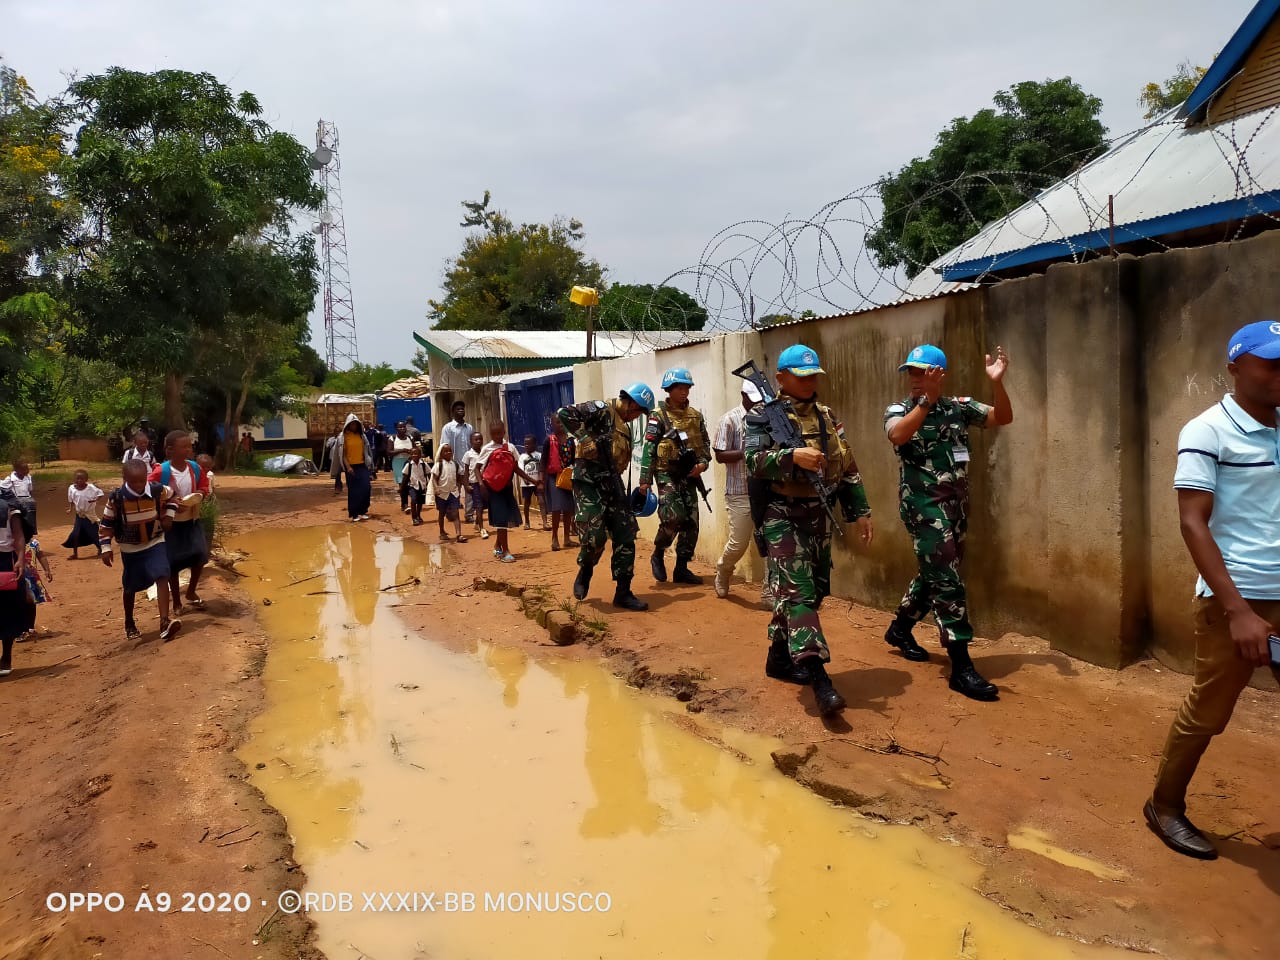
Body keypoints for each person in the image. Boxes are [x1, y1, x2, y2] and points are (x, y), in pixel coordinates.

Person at [1144, 320, 1280, 860]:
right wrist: (1238, 611)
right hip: (1236, 599)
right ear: (1236, 366)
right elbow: (1192, 524)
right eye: (1270, 363)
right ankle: (1165, 806)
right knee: (1210, 710)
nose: (1279, 373)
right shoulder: (1206, 432)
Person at [745, 345, 874, 715]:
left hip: (819, 514)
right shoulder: (763, 416)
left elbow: (847, 464)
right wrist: (790, 457)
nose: (808, 383)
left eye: (813, 376)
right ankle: (820, 679)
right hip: (781, 514)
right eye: (800, 377)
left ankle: (777, 658)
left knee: (811, 594)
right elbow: (752, 462)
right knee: (799, 595)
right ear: (782, 379)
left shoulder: (828, 417)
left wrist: (860, 511)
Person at [883, 343, 1011, 702]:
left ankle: (900, 628)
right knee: (948, 580)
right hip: (923, 507)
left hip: (956, 506)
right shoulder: (901, 409)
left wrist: (998, 384)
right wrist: (926, 402)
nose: (914, 379)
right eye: (911, 372)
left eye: (922, 372)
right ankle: (961, 665)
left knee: (937, 572)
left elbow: (1003, 417)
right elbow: (897, 435)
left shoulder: (959, 407)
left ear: (939, 374)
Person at [557, 383, 655, 611]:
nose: (637, 417)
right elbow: (564, 413)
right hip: (589, 481)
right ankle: (586, 570)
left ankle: (623, 592)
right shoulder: (602, 409)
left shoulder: (625, 427)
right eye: (639, 412)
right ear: (631, 403)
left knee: (626, 534)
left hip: (612, 483)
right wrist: (583, 438)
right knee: (595, 536)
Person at [639, 368, 711, 585]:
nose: (684, 392)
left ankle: (681, 568)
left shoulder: (696, 416)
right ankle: (658, 553)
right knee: (673, 517)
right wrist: (645, 480)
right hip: (666, 475)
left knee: (691, 522)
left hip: (689, 476)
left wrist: (702, 465)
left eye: (687, 387)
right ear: (669, 390)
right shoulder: (658, 416)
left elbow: (705, 446)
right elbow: (649, 448)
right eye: (680, 388)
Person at [99, 458, 180, 641]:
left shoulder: (157, 490)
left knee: (162, 574)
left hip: (155, 541)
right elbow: (106, 524)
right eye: (133, 481)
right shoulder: (117, 498)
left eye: (142, 480)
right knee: (130, 588)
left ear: (147, 477)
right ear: (124, 478)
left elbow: (174, 496)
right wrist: (105, 547)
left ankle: (164, 622)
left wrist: (169, 515)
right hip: (130, 549)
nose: (138, 485)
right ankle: (129, 622)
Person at [712, 380, 775, 603]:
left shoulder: (769, 418)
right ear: (743, 395)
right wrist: (749, 452)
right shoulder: (729, 420)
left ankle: (769, 592)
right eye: (753, 400)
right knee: (739, 543)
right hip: (739, 492)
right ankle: (723, 569)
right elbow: (720, 455)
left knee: (772, 542)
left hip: (766, 490)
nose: (758, 405)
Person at [150, 430, 212, 616]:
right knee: (173, 563)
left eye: (189, 446)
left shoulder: (194, 468)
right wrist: (169, 501)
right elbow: (150, 489)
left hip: (191, 519)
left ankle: (191, 591)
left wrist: (199, 494)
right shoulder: (162, 471)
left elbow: (203, 486)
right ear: (170, 450)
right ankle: (176, 601)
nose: (188, 449)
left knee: (201, 555)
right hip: (171, 524)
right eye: (184, 447)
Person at [476, 421, 536, 562]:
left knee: (502, 519)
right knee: (501, 519)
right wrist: (481, 484)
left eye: (499, 433)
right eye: (494, 433)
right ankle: (505, 551)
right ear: (490, 434)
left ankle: (498, 545)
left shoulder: (510, 447)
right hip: (493, 489)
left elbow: (515, 468)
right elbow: (477, 468)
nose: (497, 436)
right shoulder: (487, 449)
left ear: (504, 432)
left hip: (506, 489)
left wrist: (532, 481)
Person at [0, 488, 33, 676]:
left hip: (5, 560)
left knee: (8, 608)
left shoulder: (7, 502)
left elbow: (18, 534)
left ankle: (6, 657)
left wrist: (20, 558)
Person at [542, 413, 577, 552]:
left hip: (568, 476)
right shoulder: (548, 441)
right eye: (557, 422)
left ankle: (567, 538)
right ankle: (554, 537)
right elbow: (543, 460)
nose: (560, 425)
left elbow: (575, 459)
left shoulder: (571, 441)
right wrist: (540, 480)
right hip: (553, 477)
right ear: (552, 424)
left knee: (568, 508)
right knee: (557, 508)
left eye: (562, 422)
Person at [439, 401, 476, 520]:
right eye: (458, 409)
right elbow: (445, 446)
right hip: (454, 464)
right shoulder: (448, 428)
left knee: (469, 489)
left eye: (462, 409)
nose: (461, 411)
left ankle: (469, 514)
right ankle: (451, 512)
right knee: (454, 490)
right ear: (453, 412)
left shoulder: (469, 427)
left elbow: (472, 445)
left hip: (467, 465)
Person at [334, 414, 374, 521]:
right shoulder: (343, 437)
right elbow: (342, 454)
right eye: (352, 424)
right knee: (354, 491)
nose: (354, 426)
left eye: (356, 424)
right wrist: (348, 467)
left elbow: (367, 450)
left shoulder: (362, 436)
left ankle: (363, 510)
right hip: (351, 467)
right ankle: (354, 513)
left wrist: (370, 464)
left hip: (362, 465)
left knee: (366, 488)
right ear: (348, 425)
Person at [63, 469, 104, 559]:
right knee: (75, 534)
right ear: (74, 479)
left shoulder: (91, 487)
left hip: (88, 515)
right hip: (79, 515)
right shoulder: (72, 488)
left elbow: (100, 494)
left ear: (86, 479)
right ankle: (75, 553)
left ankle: (100, 548)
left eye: (82, 479)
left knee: (93, 533)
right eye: (77, 479)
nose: (79, 481)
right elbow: (71, 500)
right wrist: (70, 509)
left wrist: (95, 500)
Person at [431, 444, 467, 542]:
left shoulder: (455, 464)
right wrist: (436, 488)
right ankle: (442, 532)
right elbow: (434, 478)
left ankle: (459, 535)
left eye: (450, 451)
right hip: (442, 494)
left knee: (456, 513)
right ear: (441, 454)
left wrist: (461, 486)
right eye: (445, 451)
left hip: (453, 493)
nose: (448, 453)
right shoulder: (439, 465)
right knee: (442, 513)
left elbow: (460, 477)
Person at [460, 432, 489, 539]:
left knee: (483, 505)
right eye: (475, 440)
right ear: (471, 442)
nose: (478, 441)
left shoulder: (485, 453)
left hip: (485, 482)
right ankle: (482, 529)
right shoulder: (468, 454)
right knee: (479, 506)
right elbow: (466, 472)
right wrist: (466, 485)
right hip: (475, 483)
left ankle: (477, 524)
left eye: (480, 439)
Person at [519, 434, 546, 530]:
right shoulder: (522, 457)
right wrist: (525, 479)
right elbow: (521, 469)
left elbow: (542, 468)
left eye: (529, 444)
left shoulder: (539, 455)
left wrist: (541, 481)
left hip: (538, 483)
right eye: (525, 444)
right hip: (526, 484)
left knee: (542, 501)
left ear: (534, 444)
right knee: (527, 503)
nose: (526, 446)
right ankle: (527, 522)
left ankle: (545, 522)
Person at [400, 445, 431, 526]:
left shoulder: (424, 464)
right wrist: (402, 488)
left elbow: (429, 474)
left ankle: (418, 515)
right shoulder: (409, 465)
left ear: (420, 455)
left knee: (420, 502)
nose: (415, 455)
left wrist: (430, 484)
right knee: (413, 500)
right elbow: (405, 476)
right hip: (412, 485)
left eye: (416, 454)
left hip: (422, 485)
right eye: (413, 454)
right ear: (410, 455)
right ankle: (414, 518)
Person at [390, 422, 415, 514]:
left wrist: (411, 452)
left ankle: (412, 502)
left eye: (403, 427)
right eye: (399, 427)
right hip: (398, 463)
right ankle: (405, 504)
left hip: (409, 462)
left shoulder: (410, 438)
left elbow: (415, 449)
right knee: (402, 483)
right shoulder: (392, 438)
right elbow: (389, 452)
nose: (402, 428)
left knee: (411, 482)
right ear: (396, 428)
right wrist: (402, 450)